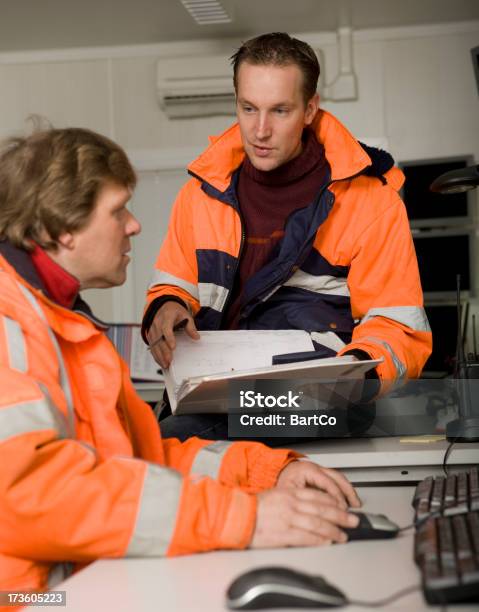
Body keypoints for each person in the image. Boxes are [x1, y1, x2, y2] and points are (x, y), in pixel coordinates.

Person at [0, 126, 362, 599]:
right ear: (59, 230)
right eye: (117, 210)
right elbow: (33, 498)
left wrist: (266, 473)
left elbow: (143, 462)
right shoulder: (9, 324)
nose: (134, 225)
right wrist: (241, 519)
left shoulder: (64, 320)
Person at [143, 32, 432, 441]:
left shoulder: (372, 202)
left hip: (318, 401)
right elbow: (174, 283)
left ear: (310, 108)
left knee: (177, 443)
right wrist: (167, 306)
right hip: (210, 390)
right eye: (248, 109)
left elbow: (396, 325)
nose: (260, 130)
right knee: (163, 446)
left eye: (280, 110)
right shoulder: (200, 194)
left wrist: (356, 376)